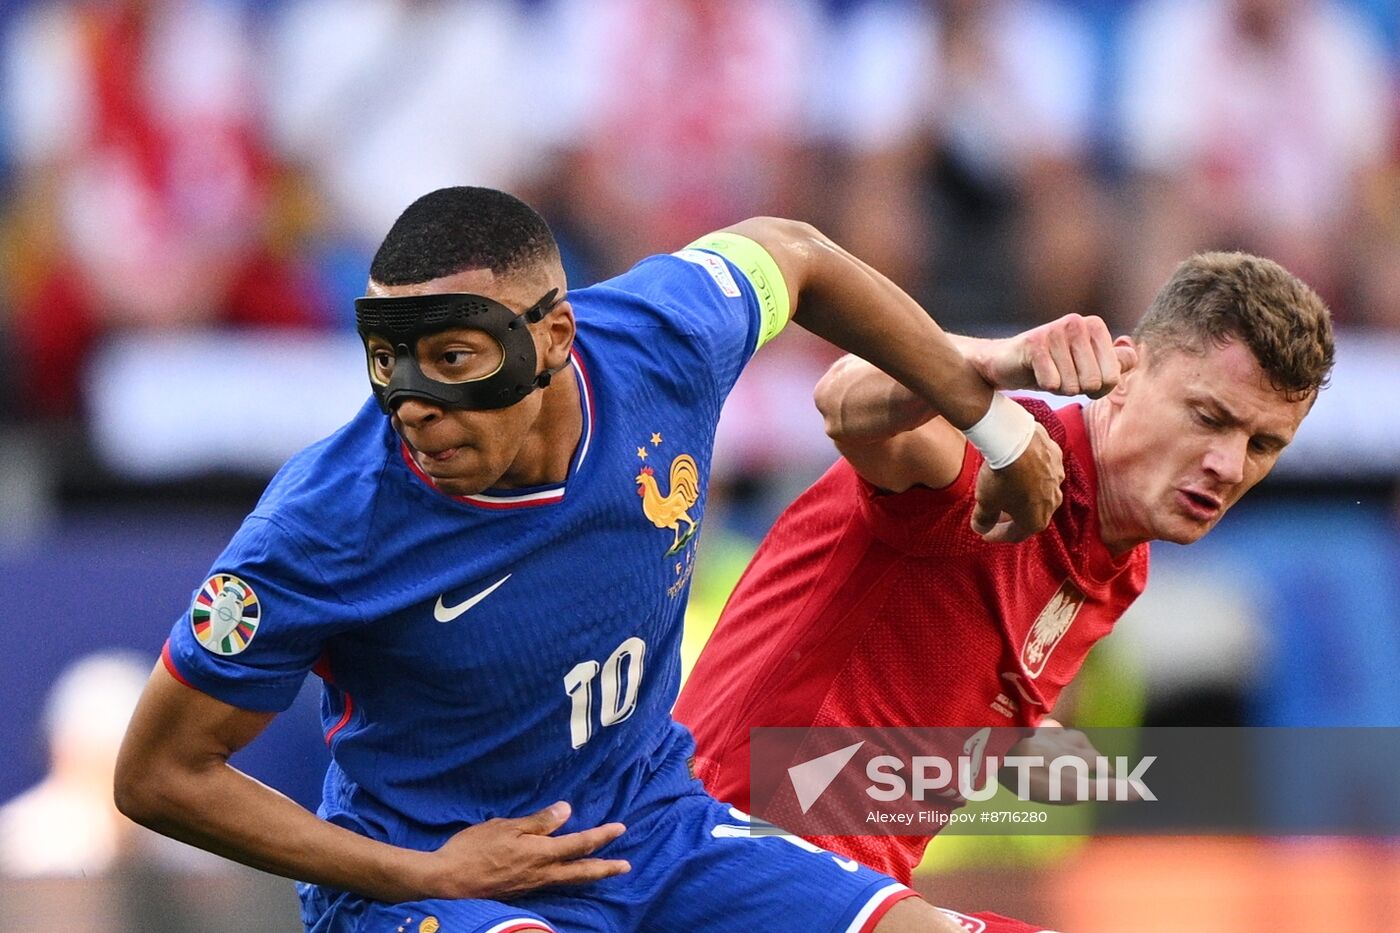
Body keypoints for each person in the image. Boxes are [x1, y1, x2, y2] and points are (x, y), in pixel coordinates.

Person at [114, 186, 1066, 933]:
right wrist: (429, 872)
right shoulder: (322, 525)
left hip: (648, 825)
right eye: (388, 359)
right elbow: (158, 775)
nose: (412, 404)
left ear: (553, 337)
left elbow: (801, 254)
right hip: (429, 882)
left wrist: (998, 426)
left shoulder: (662, 339)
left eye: (453, 358)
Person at [676, 251, 1335, 926]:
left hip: (841, 891)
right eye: (1208, 416)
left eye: (1262, 445)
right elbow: (845, 396)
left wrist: (1019, 737)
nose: (1227, 464)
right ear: (1127, 371)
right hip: (727, 854)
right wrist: (999, 369)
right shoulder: (997, 462)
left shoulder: (1120, 564)